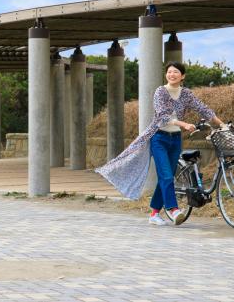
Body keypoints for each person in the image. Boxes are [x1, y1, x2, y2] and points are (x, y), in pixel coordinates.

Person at [96, 61, 225, 226]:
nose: (172, 74)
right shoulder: (160, 92)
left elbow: (204, 110)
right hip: (159, 138)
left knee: (167, 177)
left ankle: (154, 213)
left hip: (175, 140)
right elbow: (164, 116)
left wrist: (222, 125)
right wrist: (183, 124)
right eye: (169, 72)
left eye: (176, 72)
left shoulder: (186, 94)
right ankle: (173, 209)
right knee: (165, 175)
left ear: (182, 76)